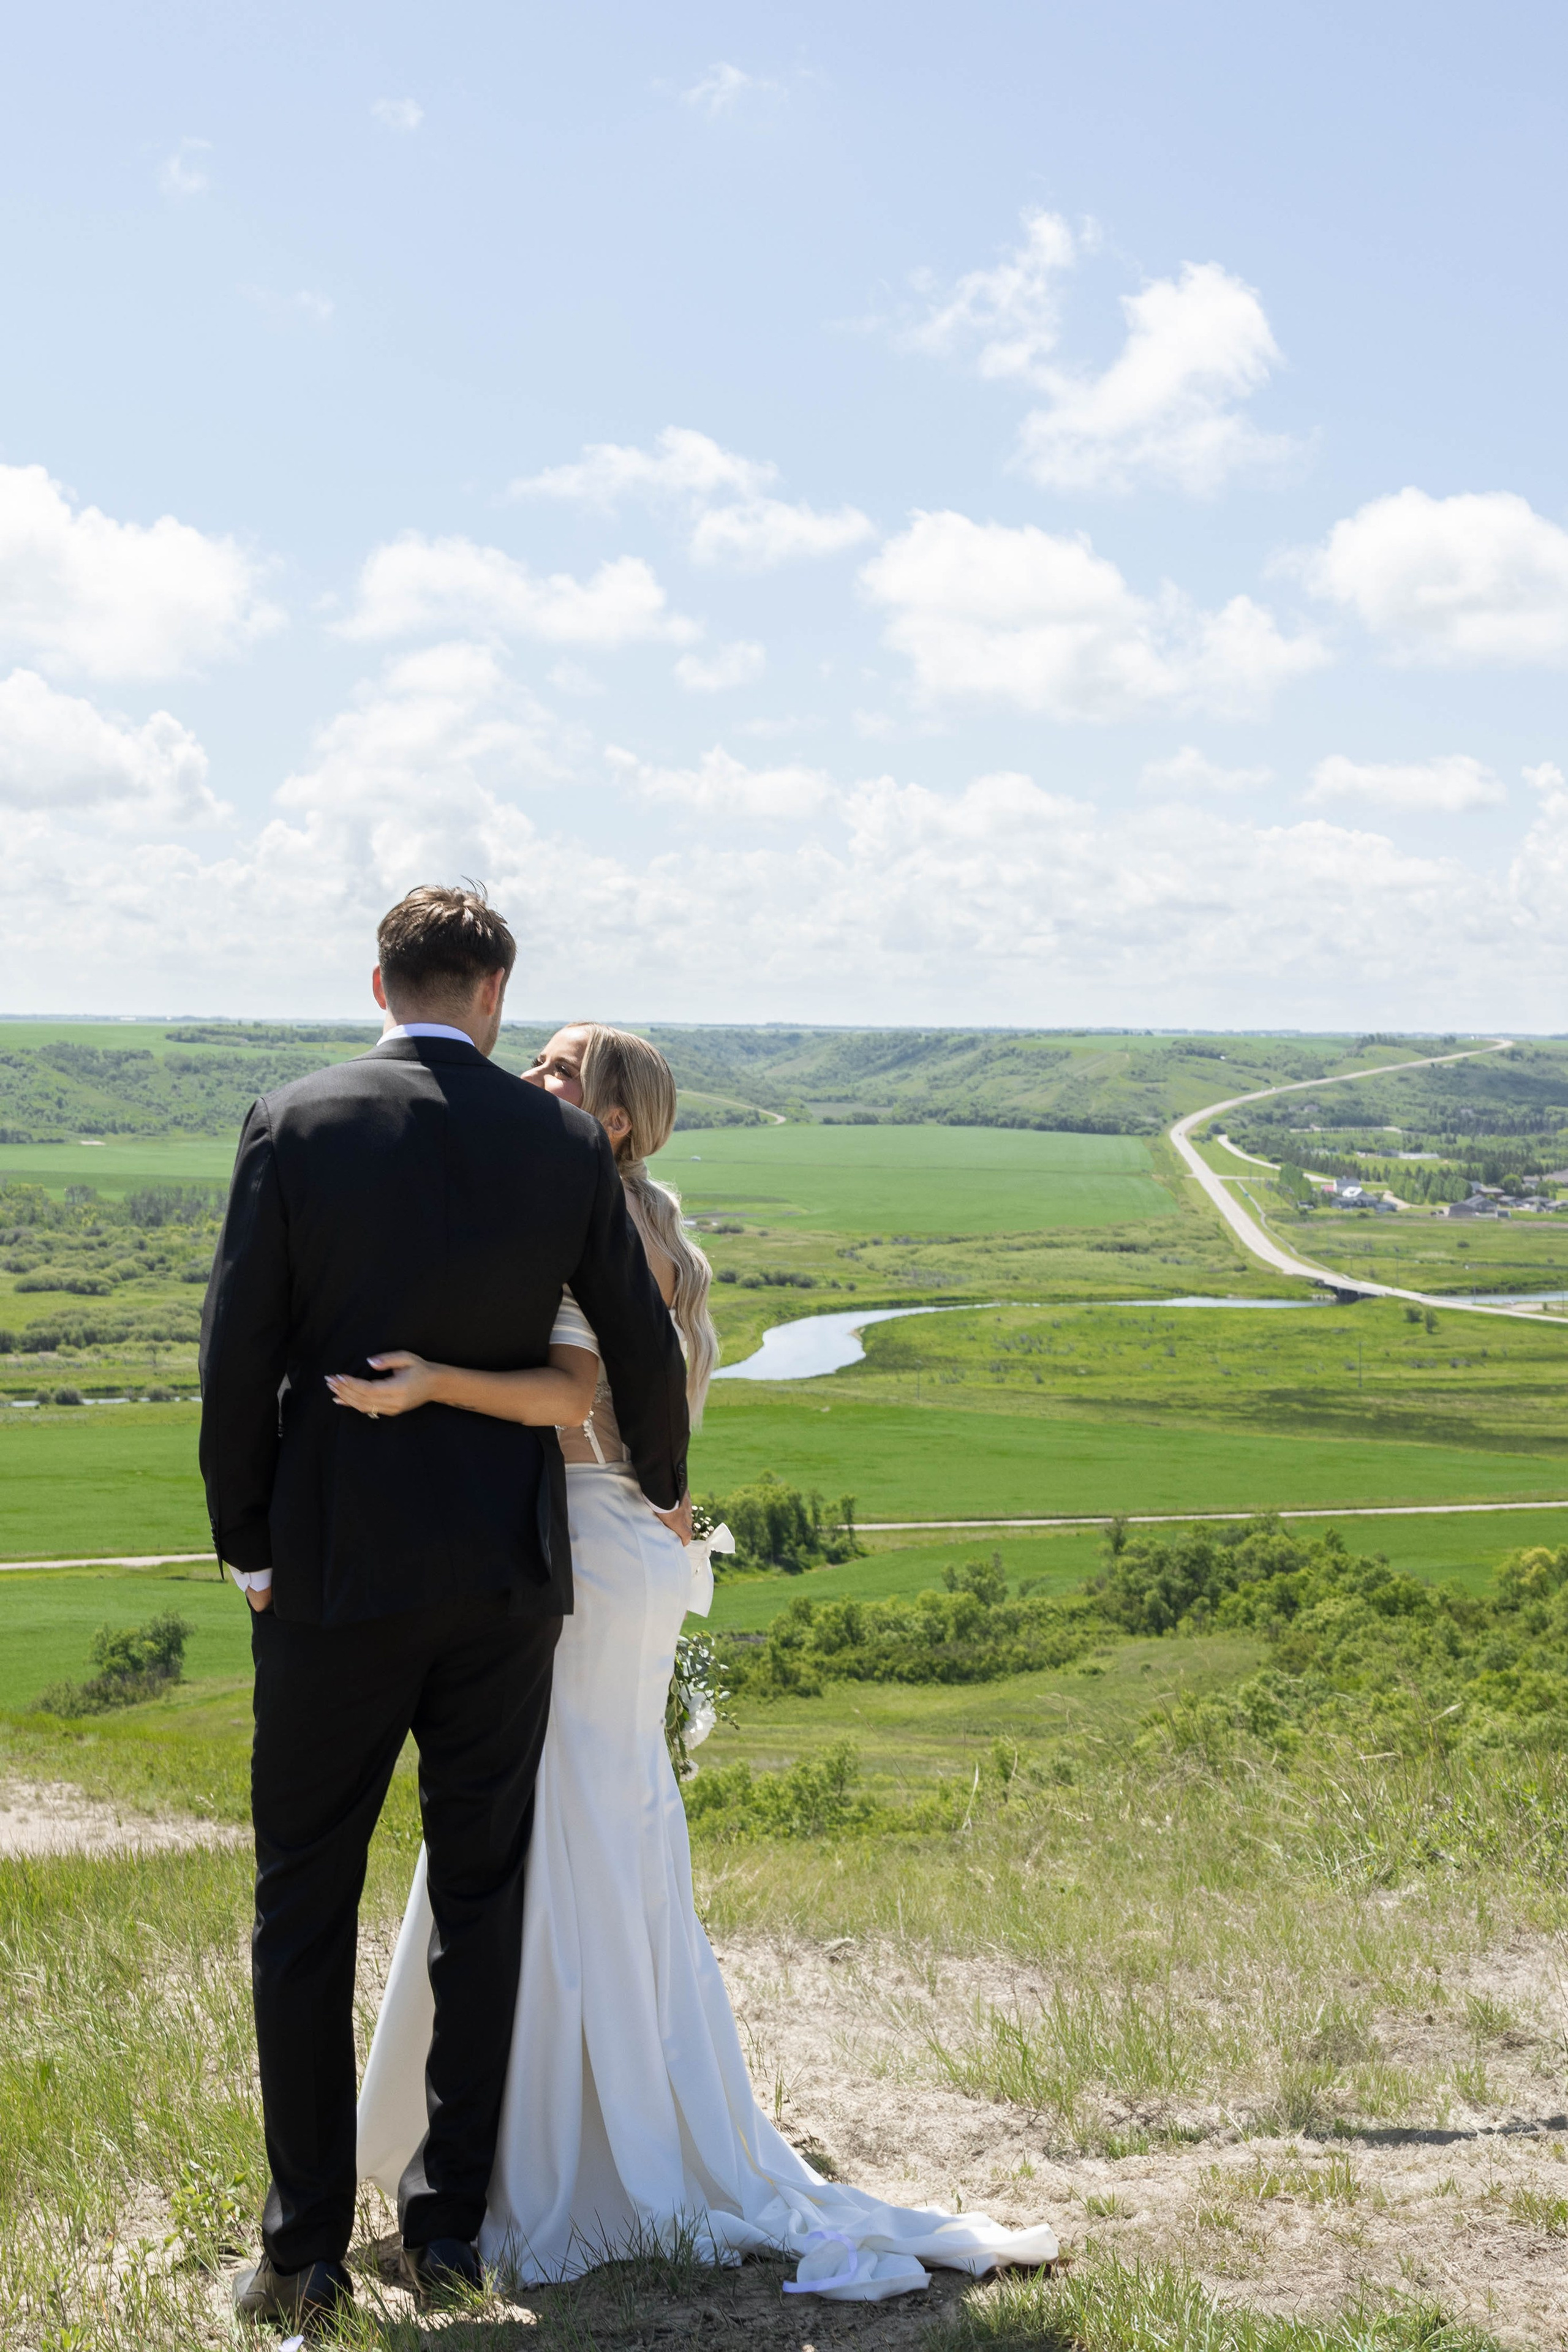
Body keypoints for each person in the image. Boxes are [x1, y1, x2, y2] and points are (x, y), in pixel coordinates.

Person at [349, 1023, 1058, 2301]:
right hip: (633, 1546)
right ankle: (607, 2121)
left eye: (565, 1073)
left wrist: (429, 1385)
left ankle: (542, 2157)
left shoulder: (588, 1220)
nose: (537, 1081)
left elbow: (569, 1395)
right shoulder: (651, 1220)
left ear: (614, 1118)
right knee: (596, 1819)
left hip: (579, 1541)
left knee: (534, 1821)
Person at [198, 903, 690, 2333]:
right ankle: (450, 2237)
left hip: (330, 1577)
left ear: (377, 986)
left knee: (302, 1901)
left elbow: (237, 1348)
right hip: (500, 1584)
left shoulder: (293, 1121)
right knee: (479, 1901)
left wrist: (248, 1549)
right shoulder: (557, 1144)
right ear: (491, 993)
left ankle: (300, 2250)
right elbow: (636, 1345)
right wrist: (661, 1485)